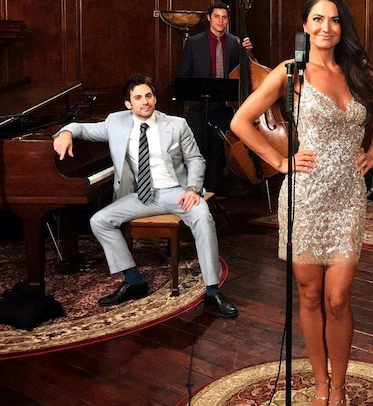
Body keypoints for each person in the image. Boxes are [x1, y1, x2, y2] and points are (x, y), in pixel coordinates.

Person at [229, 0, 373, 406]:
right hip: (305, 196)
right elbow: (241, 121)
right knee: (309, 295)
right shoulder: (290, 72)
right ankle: (321, 386)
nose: (326, 28)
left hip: (347, 197)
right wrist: (280, 162)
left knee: (338, 298)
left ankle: (338, 389)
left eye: (334, 20)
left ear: (343, 27)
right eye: (317, 19)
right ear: (305, 26)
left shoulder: (360, 70)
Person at [52, 74, 238, 318]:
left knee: (203, 217)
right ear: (128, 103)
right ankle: (134, 280)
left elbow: (195, 159)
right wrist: (65, 132)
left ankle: (213, 291)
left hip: (177, 192)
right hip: (141, 195)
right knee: (99, 221)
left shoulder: (176, 124)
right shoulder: (114, 123)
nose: (144, 102)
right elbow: (81, 129)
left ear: (155, 98)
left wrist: (193, 188)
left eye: (148, 96)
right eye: (138, 98)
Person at [178, 1, 253, 192]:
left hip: (225, 105)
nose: (221, 21)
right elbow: (184, 74)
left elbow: (247, 71)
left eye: (224, 17)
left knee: (219, 149)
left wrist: (248, 53)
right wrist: (189, 103)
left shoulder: (236, 43)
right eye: (217, 17)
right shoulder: (194, 43)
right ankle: (197, 189)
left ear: (228, 20)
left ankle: (215, 190)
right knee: (199, 147)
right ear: (209, 18)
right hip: (199, 104)